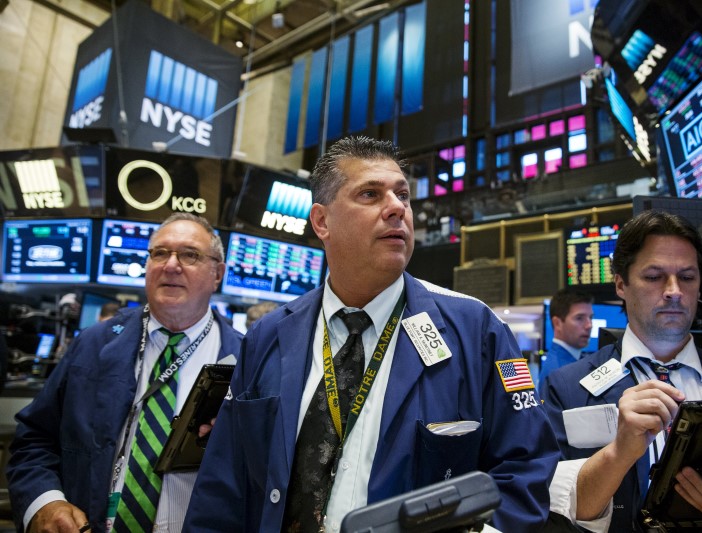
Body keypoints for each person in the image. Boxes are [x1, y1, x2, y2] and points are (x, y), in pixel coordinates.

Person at [184, 136, 561, 532]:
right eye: (370, 194)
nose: (397, 207)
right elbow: (223, 485)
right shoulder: (268, 336)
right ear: (322, 221)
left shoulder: (476, 330)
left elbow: (525, 470)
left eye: (403, 195)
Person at [541, 210, 702, 532]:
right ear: (621, 284)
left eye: (688, 277)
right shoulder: (564, 388)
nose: (674, 290)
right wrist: (619, 453)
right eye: (654, 276)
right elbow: (551, 515)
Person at [6, 213, 244, 533]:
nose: (171, 265)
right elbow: (34, 439)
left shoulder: (247, 360)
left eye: (190, 254)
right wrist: (45, 502)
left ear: (218, 273)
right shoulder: (93, 343)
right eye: (160, 253)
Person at [538, 289, 594, 384]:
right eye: (579, 318)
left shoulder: (576, 360)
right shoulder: (557, 373)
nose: (589, 325)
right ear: (557, 323)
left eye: (591, 317)